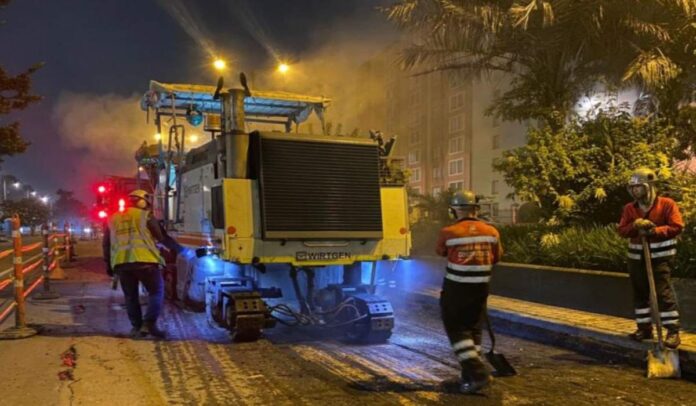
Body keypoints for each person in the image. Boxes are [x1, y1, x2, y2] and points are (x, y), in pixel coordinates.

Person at [436, 190, 502, 394]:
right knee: (473, 329)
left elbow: (441, 252)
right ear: (476, 209)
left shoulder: (449, 232)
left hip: (457, 288)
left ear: (454, 210)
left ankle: (478, 373)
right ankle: (469, 377)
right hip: (481, 288)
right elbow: (497, 257)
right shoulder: (492, 232)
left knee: (457, 329)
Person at [617, 167, 683, 348]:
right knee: (640, 294)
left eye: (638, 187)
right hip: (636, 257)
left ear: (649, 186)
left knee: (663, 293)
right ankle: (644, 329)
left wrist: (654, 231)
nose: (635, 190)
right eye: (632, 187)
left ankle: (672, 331)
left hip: (661, 257)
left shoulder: (667, 204)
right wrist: (635, 225)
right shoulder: (630, 209)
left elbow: (677, 226)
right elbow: (622, 230)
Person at [103, 189, 182, 339]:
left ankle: (136, 328)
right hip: (145, 262)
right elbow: (162, 238)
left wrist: (108, 265)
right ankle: (149, 324)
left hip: (122, 264)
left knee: (130, 296)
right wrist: (183, 251)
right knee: (157, 292)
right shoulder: (146, 216)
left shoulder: (112, 218)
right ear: (142, 201)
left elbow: (106, 245)